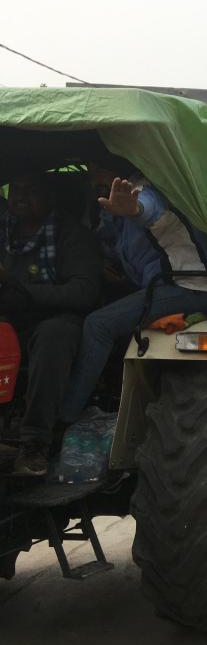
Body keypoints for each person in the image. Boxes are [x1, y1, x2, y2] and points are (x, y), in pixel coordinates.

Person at [60, 167, 207, 424]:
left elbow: (146, 208)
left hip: (189, 288)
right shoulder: (112, 211)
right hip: (158, 286)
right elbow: (107, 238)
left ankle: (63, 419)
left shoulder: (142, 189)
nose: (92, 179)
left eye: (97, 171)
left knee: (97, 325)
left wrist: (134, 209)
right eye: (90, 174)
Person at [0, 172, 102, 475]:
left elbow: (85, 291)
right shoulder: (5, 231)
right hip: (9, 316)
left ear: (50, 197)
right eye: (16, 190)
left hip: (53, 317)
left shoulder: (72, 235)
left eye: (31, 191)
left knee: (54, 338)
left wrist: (24, 291)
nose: (20, 197)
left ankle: (35, 444)